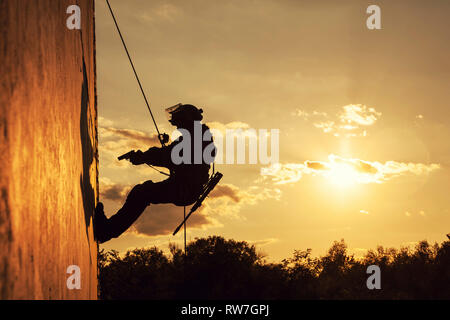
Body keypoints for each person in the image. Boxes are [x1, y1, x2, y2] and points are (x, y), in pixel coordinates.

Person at [94, 104, 215, 243]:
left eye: (179, 124)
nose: (177, 127)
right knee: (142, 192)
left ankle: (106, 231)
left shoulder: (196, 138)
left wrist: (143, 157)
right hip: (183, 186)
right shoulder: (197, 136)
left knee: (141, 193)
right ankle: (107, 230)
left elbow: (170, 156)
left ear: (186, 121)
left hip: (184, 189)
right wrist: (146, 156)